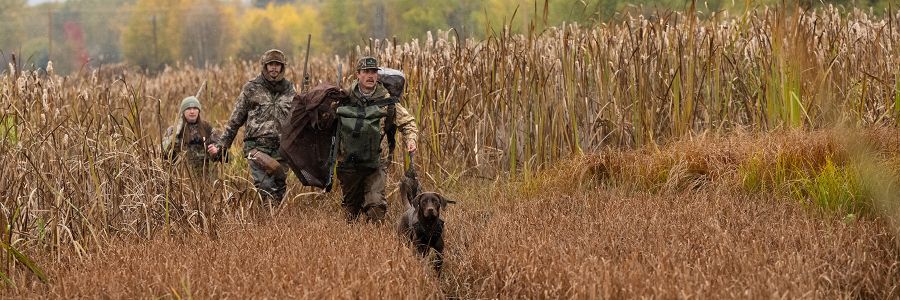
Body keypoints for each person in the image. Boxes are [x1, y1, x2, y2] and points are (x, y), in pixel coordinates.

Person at [335, 56, 418, 223]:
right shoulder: (345, 97)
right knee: (351, 210)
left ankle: (373, 237)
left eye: (373, 72)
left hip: (376, 160)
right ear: (358, 74)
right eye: (366, 72)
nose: (370, 75)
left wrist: (411, 139)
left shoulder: (387, 101)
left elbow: (408, 122)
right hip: (349, 161)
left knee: (376, 206)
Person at [207, 49, 296, 205]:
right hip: (257, 147)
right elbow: (235, 120)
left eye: (277, 65)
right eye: (270, 65)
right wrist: (222, 146)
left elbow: (297, 119)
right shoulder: (251, 88)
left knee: (280, 189)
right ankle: (268, 221)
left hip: (282, 148)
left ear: (282, 67)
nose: (274, 68)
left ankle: (275, 225)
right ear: (264, 66)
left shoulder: (290, 90)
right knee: (265, 187)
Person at [162, 96, 222, 174]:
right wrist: (175, 135)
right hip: (182, 178)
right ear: (183, 111)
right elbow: (164, 154)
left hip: (205, 176)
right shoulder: (173, 130)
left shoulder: (207, 128)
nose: (192, 111)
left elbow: (222, 148)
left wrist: (216, 150)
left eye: (195, 108)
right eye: (189, 109)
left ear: (199, 111)